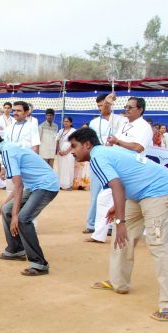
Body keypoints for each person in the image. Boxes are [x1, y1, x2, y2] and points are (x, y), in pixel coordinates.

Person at [68, 127, 168, 321]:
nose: (72, 151)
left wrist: (121, 221)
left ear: (87, 145)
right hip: (138, 194)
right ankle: (118, 282)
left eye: (74, 146)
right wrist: (117, 207)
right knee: (121, 237)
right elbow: (126, 177)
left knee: (158, 245)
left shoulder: (97, 157)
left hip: (158, 191)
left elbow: (117, 185)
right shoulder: (104, 151)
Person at [0, 128, 59, 276]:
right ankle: (16, 249)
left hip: (46, 185)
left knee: (23, 219)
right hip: (34, 186)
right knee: (6, 210)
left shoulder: (8, 151)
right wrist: (6, 204)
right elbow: (19, 184)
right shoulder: (7, 150)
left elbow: (18, 185)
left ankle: (39, 264)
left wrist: (16, 215)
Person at [88, 95, 153, 244]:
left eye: (130, 107)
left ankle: (146, 234)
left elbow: (138, 147)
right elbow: (105, 113)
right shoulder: (122, 122)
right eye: (126, 107)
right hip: (117, 167)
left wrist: (118, 141)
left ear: (140, 109)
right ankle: (99, 234)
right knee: (104, 198)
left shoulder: (144, 127)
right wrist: (108, 103)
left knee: (139, 203)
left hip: (133, 169)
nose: (127, 110)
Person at [84, 93, 125, 234]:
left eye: (103, 105)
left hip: (115, 160)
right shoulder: (94, 122)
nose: (101, 108)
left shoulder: (120, 120)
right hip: (99, 159)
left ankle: (110, 226)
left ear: (110, 104)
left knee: (113, 193)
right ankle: (92, 223)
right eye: (99, 106)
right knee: (96, 194)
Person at [55, 117, 76, 190]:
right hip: (60, 153)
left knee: (69, 167)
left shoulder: (73, 131)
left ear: (71, 123)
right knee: (61, 168)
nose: (65, 123)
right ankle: (61, 184)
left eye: (67, 121)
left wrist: (66, 152)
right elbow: (57, 141)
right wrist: (59, 150)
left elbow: (74, 143)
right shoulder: (61, 131)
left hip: (69, 153)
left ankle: (69, 185)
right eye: (64, 121)